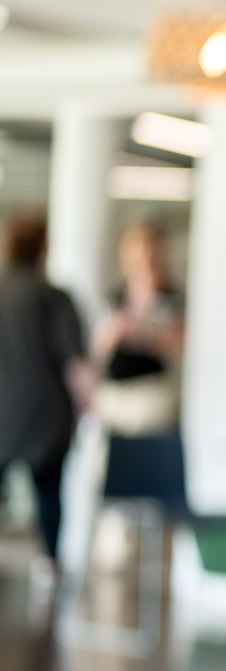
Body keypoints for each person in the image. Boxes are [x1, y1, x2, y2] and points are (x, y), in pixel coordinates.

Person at [0, 211, 89, 588]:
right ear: (43, 249)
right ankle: (49, 567)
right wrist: (89, 405)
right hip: (47, 417)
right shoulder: (55, 297)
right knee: (50, 491)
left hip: (3, 414)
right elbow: (76, 364)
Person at [89, 223, 184, 437]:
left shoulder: (173, 300)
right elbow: (97, 350)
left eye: (150, 256)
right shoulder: (114, 298)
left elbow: (176, 346)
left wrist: (139, 331)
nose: (144, 264)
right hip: (113, 398)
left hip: (152, 397)